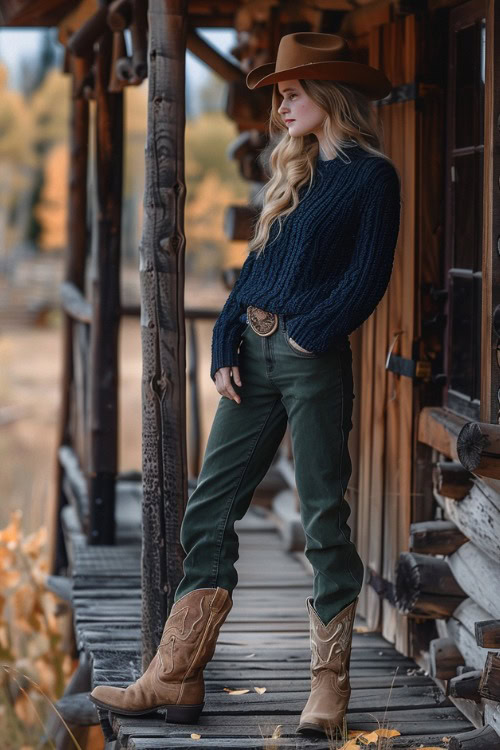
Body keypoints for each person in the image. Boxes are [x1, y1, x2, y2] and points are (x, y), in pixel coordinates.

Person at [89, 31, 401, 738]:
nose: (281, 107)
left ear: (328, 94)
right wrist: (228, 336)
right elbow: (253, 272)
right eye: (279, 96)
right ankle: (177, 673)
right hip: (252, 359)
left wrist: (306, 335)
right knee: (208, 508)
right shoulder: (292, 170)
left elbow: (367, 278)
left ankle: (330, 687)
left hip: (310, 357)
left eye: (291, 94)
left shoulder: (373, 177)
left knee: (324, 518)